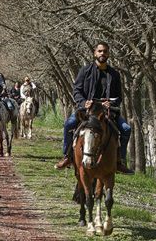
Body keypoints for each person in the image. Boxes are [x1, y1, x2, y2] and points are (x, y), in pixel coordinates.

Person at [54, 41, 132, 174]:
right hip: (87, 110)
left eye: (105, 51)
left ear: (108, 54)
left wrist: (111, 103)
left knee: (126, 128)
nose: (102, 53)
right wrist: (84, 102)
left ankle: (120, 161)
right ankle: (67, 156)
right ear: (95, 53)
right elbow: (77, 91)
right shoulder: (85, 71)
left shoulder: (114, 74)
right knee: (69, 124)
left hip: (107, 111)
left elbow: (119, 96)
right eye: (100, 51)